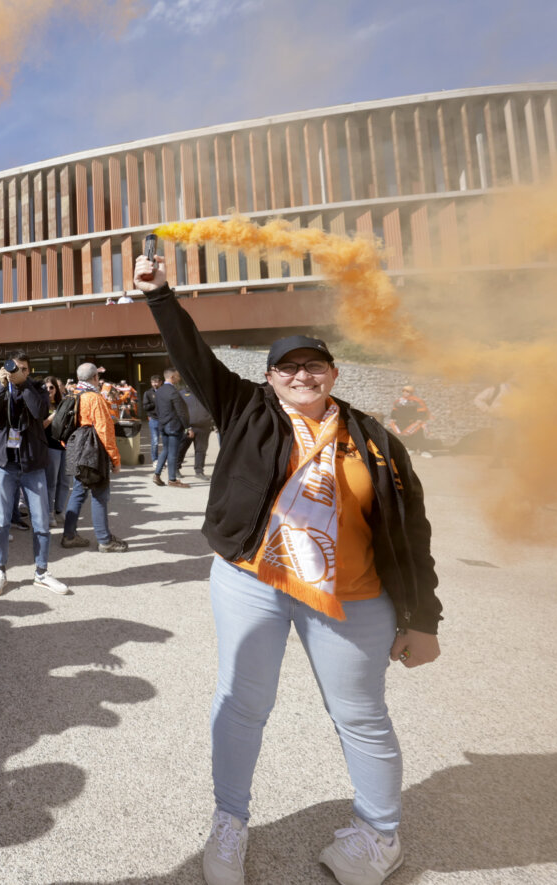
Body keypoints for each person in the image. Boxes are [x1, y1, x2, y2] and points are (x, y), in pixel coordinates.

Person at [133, 251, 443, 885]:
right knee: (242, 703)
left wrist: (422, 617)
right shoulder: (245, 409)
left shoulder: (377, 438)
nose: (301, 374)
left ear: (332, 372)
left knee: (360, 715)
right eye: (287, 367)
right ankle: (229, 822)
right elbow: (193, 355)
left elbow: (411, 531)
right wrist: (161, 294)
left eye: (313, 364)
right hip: (253, 583)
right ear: (270, 378)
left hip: (354, 595)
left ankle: (379, 836)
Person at [0, 354, 68, 596]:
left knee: (40, 522)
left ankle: (41, 572)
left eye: (23, 369)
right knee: (0, 522)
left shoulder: (38, 388)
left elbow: (39, 412)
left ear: (30, 371)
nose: (18, 371)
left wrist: (23, 384)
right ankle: (0, 571)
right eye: (14, 368)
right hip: (3, 464)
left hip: (32, 465)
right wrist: (1, 385)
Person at [60, 362, 127, 552]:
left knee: (78, 492)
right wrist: (115, 459)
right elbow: (104, 430)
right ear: (95, 378)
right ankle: (104, 540)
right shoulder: (94, 398)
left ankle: (69, 535)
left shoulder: (72, 394)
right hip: (93, 451)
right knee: (100, 494)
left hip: (75, 448)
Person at [153, 368, 192, 488]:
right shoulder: (174, 392)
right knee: (173, 453)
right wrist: (187, 427)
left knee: (165, 450)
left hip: (163, 425)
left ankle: (157, 474)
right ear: (172, 377)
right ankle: (172, 480)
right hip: (174, 426)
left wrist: (161, 422)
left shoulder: (159, 391)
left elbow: (157, 409)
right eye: (178, 376)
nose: (179, 378)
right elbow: (181, 411)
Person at [41, 375, 68, 526]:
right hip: (50, 446)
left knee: (64, 481)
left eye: (52, 387)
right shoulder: (41, 404)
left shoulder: (62, 403)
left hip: (64, 446)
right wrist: (53, 416)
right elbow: (40, 426)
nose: (49, 390)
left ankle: (59, 510)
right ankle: (49, 512)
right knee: (51, 481)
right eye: (47, 387)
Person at [175, 382, 215, 479]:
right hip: (188, 427)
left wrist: (211, 421)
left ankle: (199, 471)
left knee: (201, 449)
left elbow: (213, 407)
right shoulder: (181, 394)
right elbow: (178, 410)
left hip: (204, 427)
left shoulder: (205, 394)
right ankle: (175, 468)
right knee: (182, 448)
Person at [386, 386, 433, 458]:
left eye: (407, 391)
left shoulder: (417, 401)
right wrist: (392, 418)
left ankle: (424, 450)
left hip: (414, 422)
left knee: (418, 435)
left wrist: (419, 419)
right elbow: (394, 410)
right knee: (407, 436)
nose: (405, 393)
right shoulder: (398, 401)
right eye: (404, 391)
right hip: (402, 421)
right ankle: (411, 448)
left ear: (411, 392)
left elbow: (422, 411)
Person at [142, 374, 163, 463]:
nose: (155, 384)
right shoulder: (148, 393)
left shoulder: (164, 391)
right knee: (155, 441)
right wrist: (155, 403)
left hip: (164, 419)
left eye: (156, 382)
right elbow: (145, 406)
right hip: (154, 419)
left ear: (160, 382)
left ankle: (163, 459)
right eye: (153, 382)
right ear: (151, 383)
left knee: (166, 442)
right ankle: (155, 460)